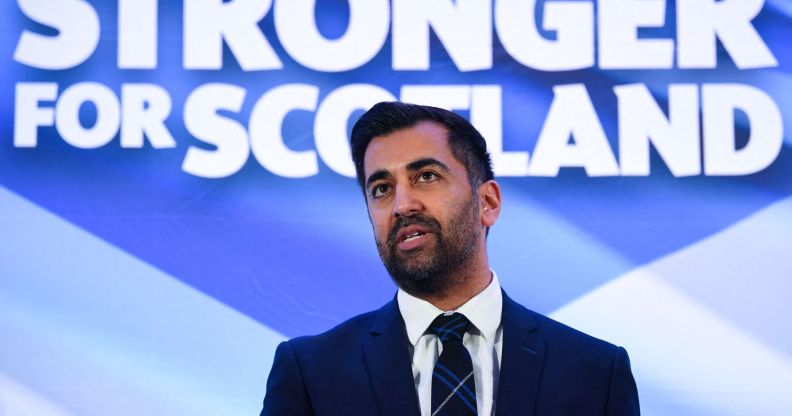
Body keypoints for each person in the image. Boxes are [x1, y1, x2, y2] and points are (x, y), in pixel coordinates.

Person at [261, 102, 640, 415]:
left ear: (488, 202)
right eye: (381, 188)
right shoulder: (311, 373)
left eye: (426, 176)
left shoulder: (594, 373)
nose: (402, 205)